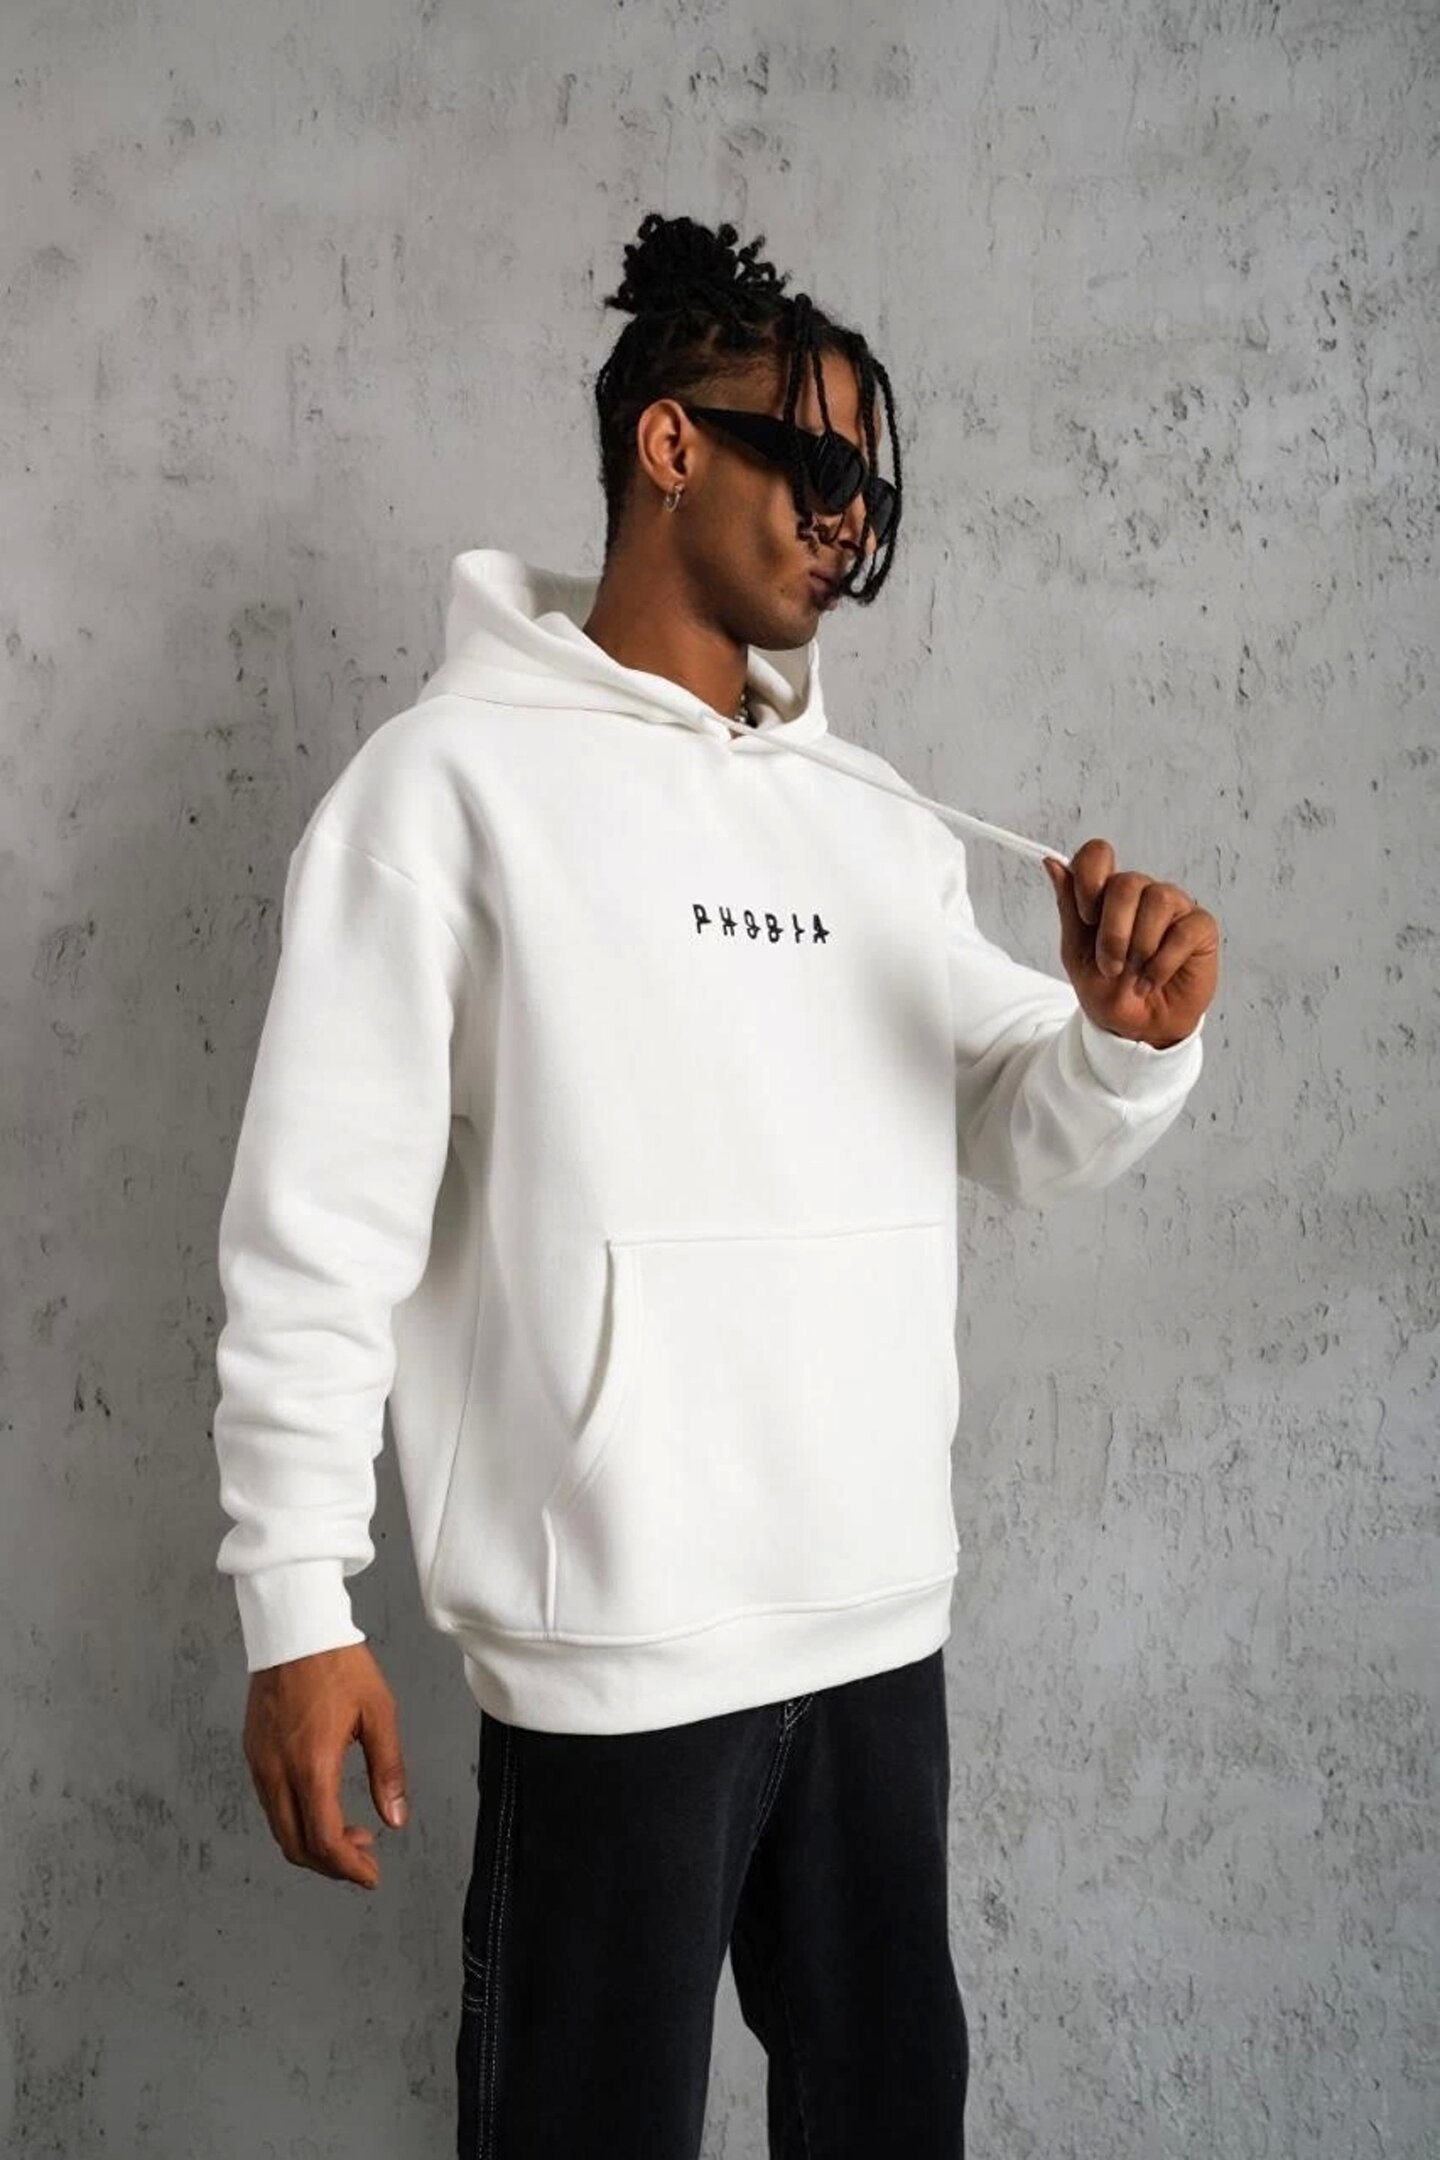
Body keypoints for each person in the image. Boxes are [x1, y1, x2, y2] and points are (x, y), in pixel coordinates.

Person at [210, 212, 1220, 2158]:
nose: (849, 524)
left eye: (870, 491)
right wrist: (292, 1604)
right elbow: (315, 1232)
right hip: (615, 1656)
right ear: (670, 445)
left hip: (875, 1628)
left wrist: (1123, 1038)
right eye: (817, 469)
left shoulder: (877, 821)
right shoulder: (443, 793)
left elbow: (1015, 1113)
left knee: (891, 2121)